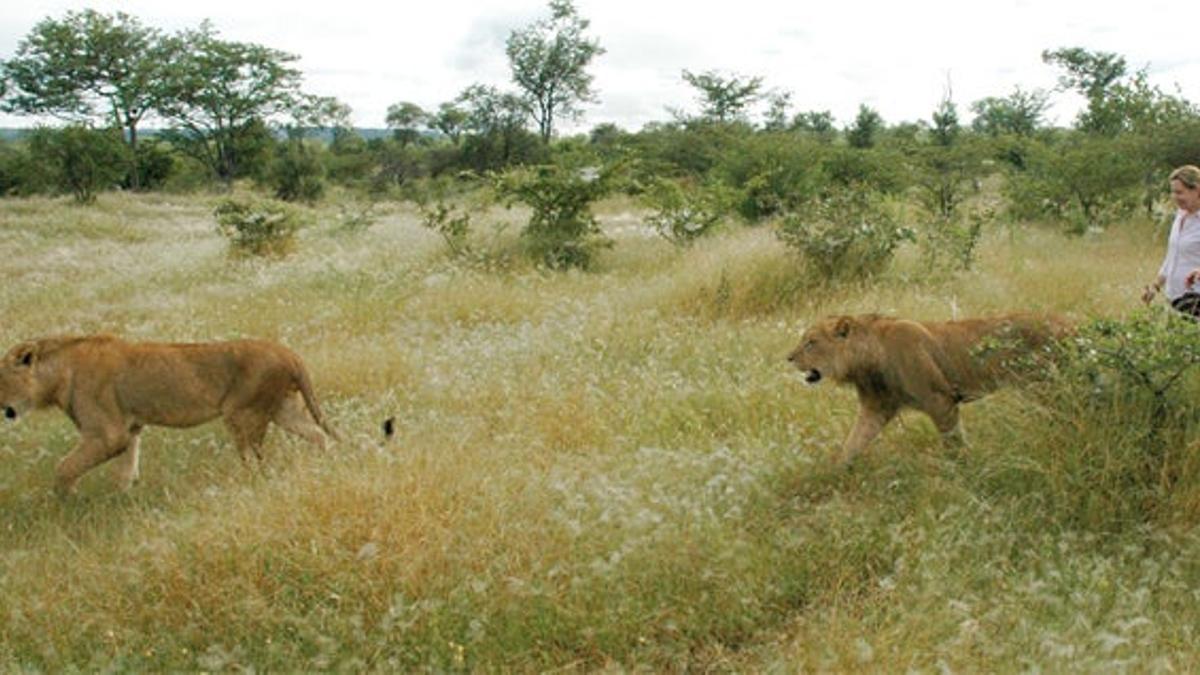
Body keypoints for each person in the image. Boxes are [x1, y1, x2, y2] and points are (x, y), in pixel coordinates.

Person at [1144, 165, 1200, 316]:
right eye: (1173, 192)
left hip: (1195, 299)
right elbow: (1172, 257)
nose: (1175, 197)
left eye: (1180, 192)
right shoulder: (1180, 216)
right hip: (1175, 298)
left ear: (1196, 190)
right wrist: (1155, 287)